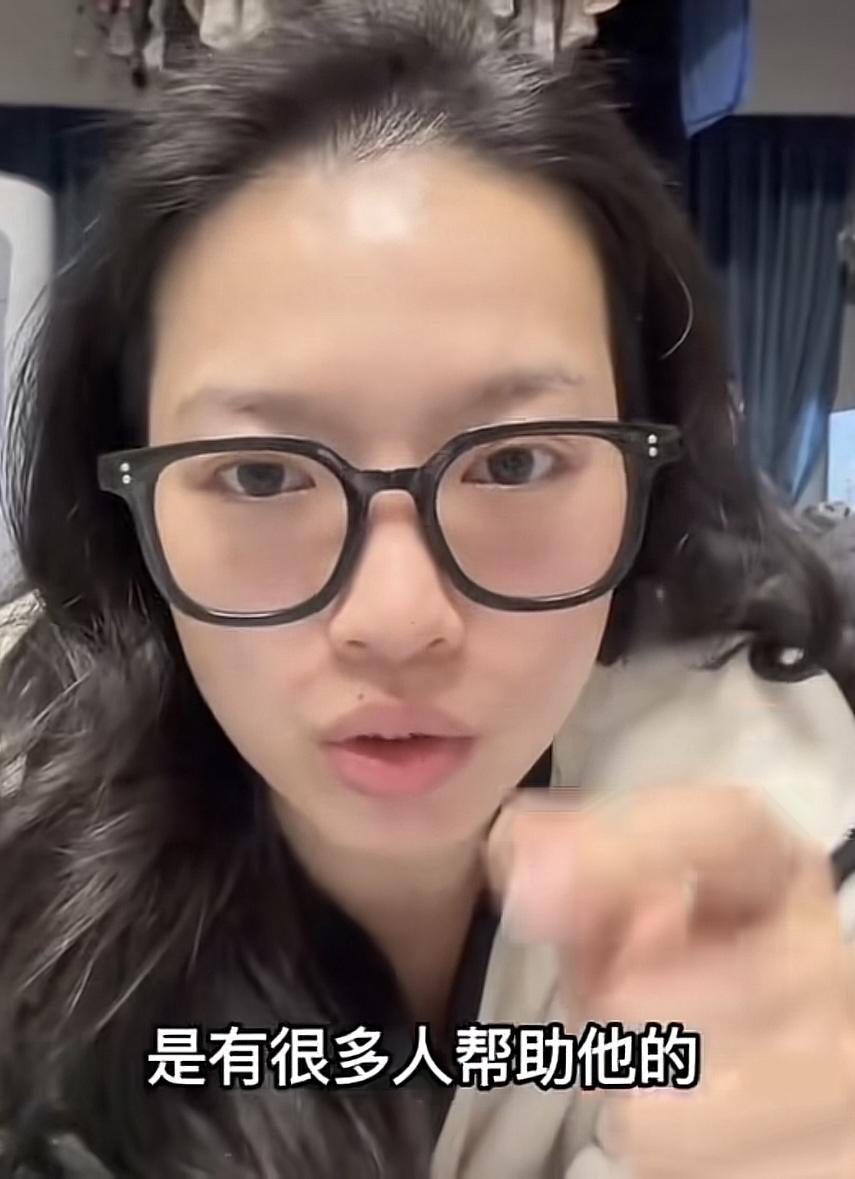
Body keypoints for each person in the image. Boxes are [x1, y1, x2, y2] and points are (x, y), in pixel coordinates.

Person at [1, 2, 854, 1176]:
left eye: (515, 463)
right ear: (127, 507)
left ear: (649, 479)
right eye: (261, 474)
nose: (397, 623)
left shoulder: (788, 813)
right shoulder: (25, 823)